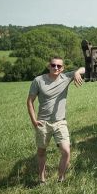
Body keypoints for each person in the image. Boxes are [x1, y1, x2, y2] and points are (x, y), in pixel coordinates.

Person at [27, 56, 85, 184]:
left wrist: (76, 72)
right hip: (43, 122)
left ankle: (61, 178)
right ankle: (42, 179)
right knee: (41, 151)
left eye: (59, 66)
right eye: (53, 65)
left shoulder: (66, 77)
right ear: (49, 66)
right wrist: (34, 121)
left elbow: (84, 69)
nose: (56, 68)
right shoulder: (39, 80)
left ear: (63, 68)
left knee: (66, 151)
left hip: (60, 122)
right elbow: (30, 101)